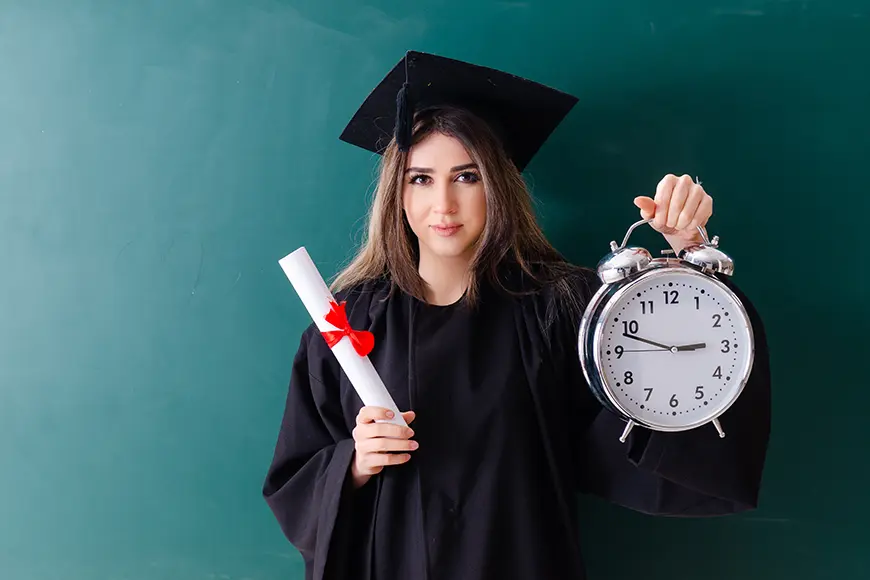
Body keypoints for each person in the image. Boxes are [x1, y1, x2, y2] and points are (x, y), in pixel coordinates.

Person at [262, 51, 771, 580]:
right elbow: (295, 481)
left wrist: (685, 258)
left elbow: (679, 384)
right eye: (420, 179)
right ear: (396, 192)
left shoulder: (565, 308)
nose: (443, 204)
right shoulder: (345, 327)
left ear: (497, 185)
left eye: (466, 176)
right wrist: (355, 462)